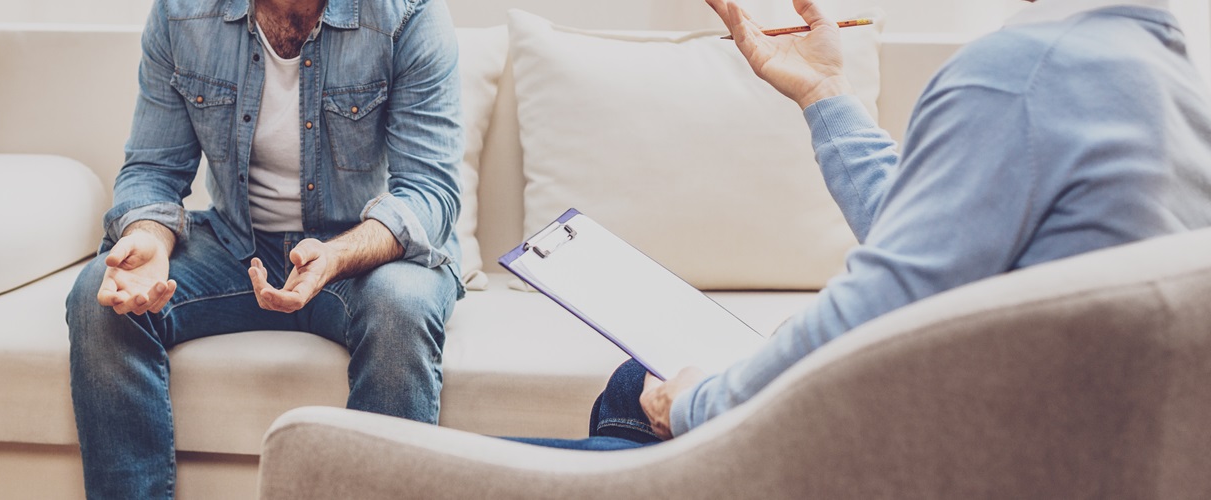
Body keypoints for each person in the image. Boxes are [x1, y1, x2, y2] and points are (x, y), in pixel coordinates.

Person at [512, 0, 1211, 451]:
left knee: (638, 392)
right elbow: (932, 246)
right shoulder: (1161, 80)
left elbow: (882, 304)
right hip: (1060, 443)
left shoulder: (1024, 71)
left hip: (947, 453)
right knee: (644, 384)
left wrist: (697, 404)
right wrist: (824, 94)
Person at [64, 0, 464, 496]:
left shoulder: (408, 14)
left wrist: (335, 257)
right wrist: (148, 235)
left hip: (364, 252)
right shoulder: (181, 13)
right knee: (102, 298)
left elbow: (430, 191)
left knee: (401, 305)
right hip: (238, 245)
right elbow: (154, 169)